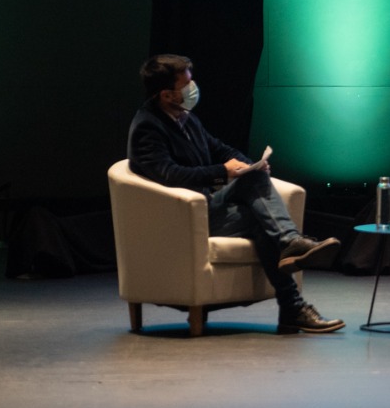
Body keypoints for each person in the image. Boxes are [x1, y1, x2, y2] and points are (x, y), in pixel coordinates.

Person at [126, 54, 344, 334]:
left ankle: (291, 252)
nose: (193, 88)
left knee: (258, 198)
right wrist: (222, 171)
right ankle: (292, 299)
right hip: (182, 218)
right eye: (186, 84)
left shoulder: (186, 118)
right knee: (263, 223)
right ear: (167, 94)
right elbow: (170, 175)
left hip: (206, 207)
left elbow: (221, 149)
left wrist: (248, 164)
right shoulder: (147, 126)